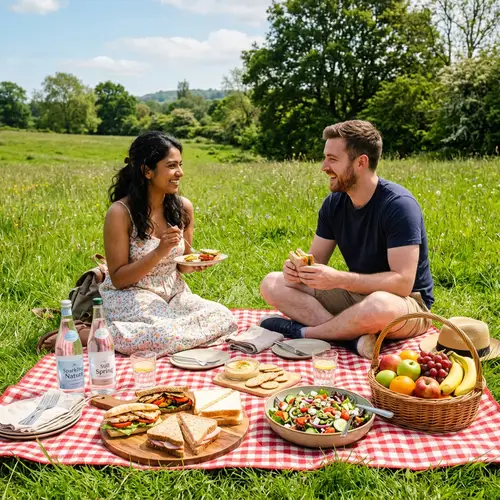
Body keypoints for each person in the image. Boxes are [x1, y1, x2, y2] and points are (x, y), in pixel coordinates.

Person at [259, 120, 434, 359]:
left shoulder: (399, 206)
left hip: (405, 305)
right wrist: (297, 271)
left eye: (332, 159)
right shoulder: (335, 203)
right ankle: (354, 338)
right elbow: (315, 261)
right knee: (272, 282)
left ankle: (306, 333)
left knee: (379, 305)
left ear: (360, 162)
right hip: (357, 297)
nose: (324, 167)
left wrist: (339, 279)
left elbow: (402, 283)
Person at [99, 131, 237, 356]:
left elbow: (182, 265)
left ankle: (135, 335)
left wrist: (197, 262)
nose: (180, 173)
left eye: (180, 165)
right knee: (166, 334)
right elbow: (119, 279)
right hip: (133, 294)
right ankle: (95, 333)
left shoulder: (183, 208)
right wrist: (159, 251)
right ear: (147, 171)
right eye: (172, 166)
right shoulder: (120, 213)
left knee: (224, 317)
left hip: (175, 294)